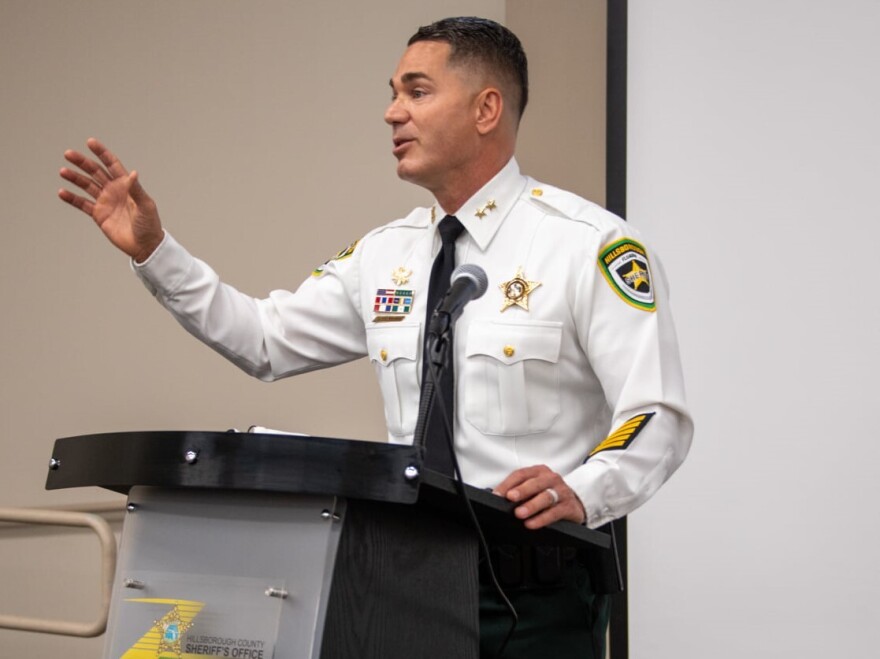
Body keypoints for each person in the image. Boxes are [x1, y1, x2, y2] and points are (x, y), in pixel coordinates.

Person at [59, 16, 692, 658]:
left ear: (486, 108)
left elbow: (656, 413)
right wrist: (155, 252)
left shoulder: (587, 246)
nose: (392, 113)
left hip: (536, 597)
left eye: (416, 92)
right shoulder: (385, 255)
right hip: (406, 582)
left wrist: (584, 490)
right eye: (392, 93)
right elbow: (265, 339)